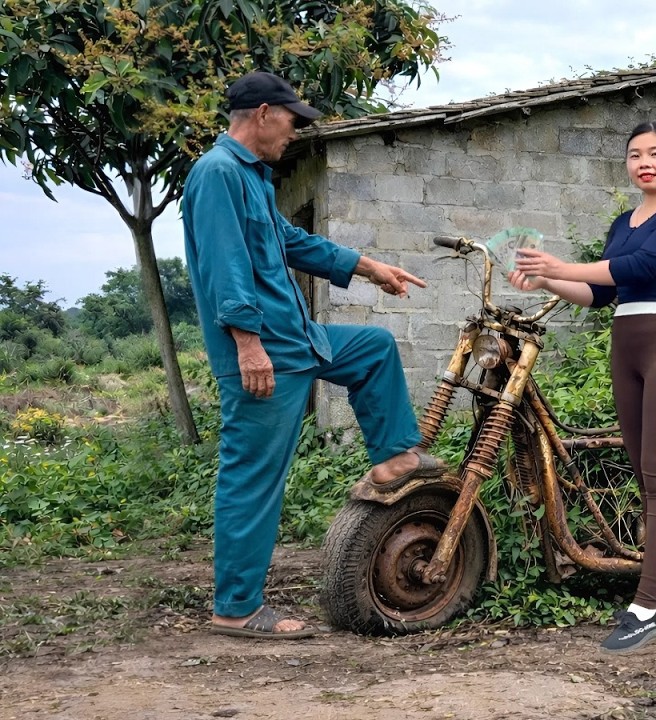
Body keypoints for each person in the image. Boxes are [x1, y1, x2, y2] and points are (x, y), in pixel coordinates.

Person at [183, 71, 434, 639]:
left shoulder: (251, 179)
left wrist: (369, 267)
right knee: (253, 477)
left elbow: (291, 243)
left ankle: (395, 458)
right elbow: (225, 266)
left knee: (371, 347)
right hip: (265, 351)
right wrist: (247, 346)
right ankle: (237, 609)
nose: (295, 133)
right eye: (293, 121)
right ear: (265, 113)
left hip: (298, 342)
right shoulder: (217, 174)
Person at [508, 120, 656, 653]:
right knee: (643, 472)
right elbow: (602, 293)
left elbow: (642, 265)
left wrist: (562, 263)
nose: (645, 161)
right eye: (635, 154)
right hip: (628, 342)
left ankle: (644, 608)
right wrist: (546, 278)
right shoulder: (624, 220)